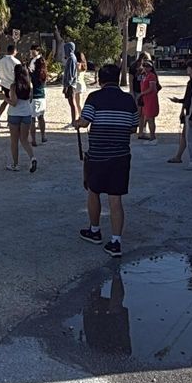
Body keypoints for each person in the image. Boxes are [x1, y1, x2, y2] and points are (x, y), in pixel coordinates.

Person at [77, 62, 139, 257]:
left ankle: (94, 231)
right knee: (115, 198)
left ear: (101, 79)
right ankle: (116, 242)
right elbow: (133, 128)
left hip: (98, 155)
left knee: (93, 192)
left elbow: (85, 121)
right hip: (121, 156)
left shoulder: (94, 97)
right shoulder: (128, 100)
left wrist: (76, 123)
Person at [6, 62, 38, 172]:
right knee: (24, 140)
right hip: (26, 113)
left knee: (14, 141)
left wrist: (4, 98)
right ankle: (32, 158)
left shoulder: (14, 86)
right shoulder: (30, 85)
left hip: (14, 114)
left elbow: (14, 102)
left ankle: (15, 164)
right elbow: (30, 99)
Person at [0, 43, 21, 127]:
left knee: (5, 101)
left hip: (4, 84)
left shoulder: (1, 61)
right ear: (14, 51)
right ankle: (10, 120)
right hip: (13, 84)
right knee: (13, 102)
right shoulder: (16, 62)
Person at [135, 55, 162, 142]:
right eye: (144, 66)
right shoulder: (144, 75)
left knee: (151, 118)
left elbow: (152, 88)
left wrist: (142, 93)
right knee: (145, 116)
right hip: (145, 99)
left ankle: (152, 136)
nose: (145, 67)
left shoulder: (151, 76)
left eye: (148, 66)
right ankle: (146, 134)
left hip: (150, 99)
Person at [29, 43, 50, 144]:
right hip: (42, 95)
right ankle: (43, 136)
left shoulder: (34, 74)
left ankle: (33, 139)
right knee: (41, 117)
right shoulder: (44, 74)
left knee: (32, 119)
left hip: (34, 95)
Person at [59, 40, 82, 126]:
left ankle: (74, 120)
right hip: (70, 84)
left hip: (71, 85)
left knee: (72, 102)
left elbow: (71, 74)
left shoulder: (72, 59)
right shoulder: (70, 58)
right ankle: (73, 120)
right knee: (71, 102)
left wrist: (66, 86)